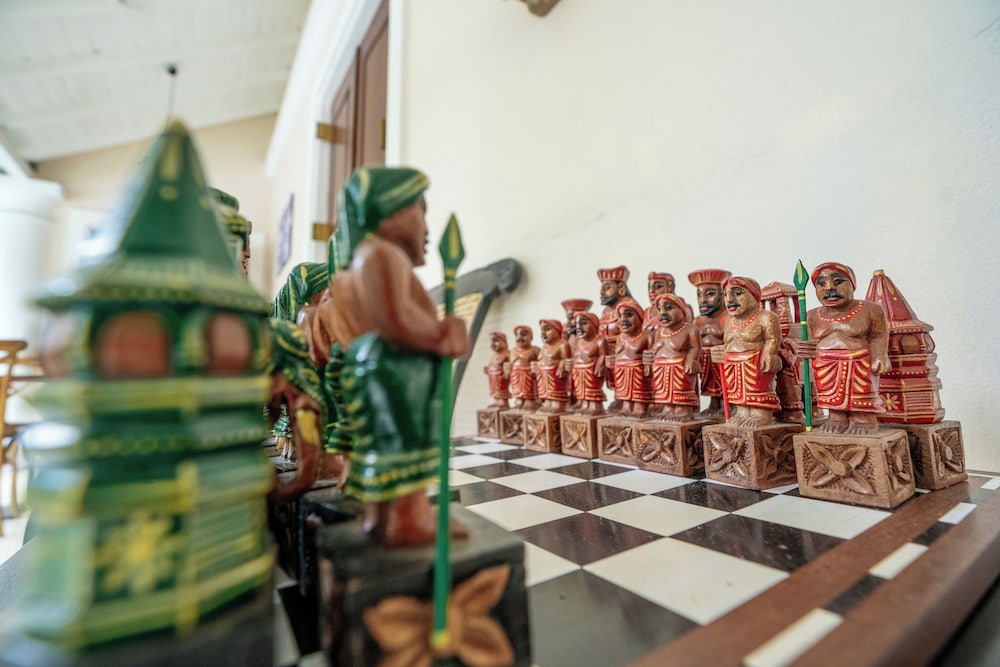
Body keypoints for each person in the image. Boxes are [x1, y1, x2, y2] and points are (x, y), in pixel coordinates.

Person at [325, 166, 470, 547]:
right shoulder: (381, 254)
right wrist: (442, 334)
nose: (426, 227)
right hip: (397, 373)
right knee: (404, 446)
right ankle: (408, 520)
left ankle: (380, 517)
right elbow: (396, 320)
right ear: (392, 209)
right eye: (421, 210)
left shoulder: (363, 258)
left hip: (379, 369)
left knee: (385, 446)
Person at [806, 262, 890, 434]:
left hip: (859, 362)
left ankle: (863, 419)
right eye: (821, 284)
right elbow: (808, 342)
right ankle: (836, 418)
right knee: (830, 396)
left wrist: (880, 355)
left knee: (860, 394)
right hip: (825, 365)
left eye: (838, 281)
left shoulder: (870, 309)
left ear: (852, 284)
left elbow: (879, 335)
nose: (829, 288)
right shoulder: (812, 315)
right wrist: (804, 348)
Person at [714, 277, 783, 427]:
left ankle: (761, 413)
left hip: (755, 362)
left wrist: (769, 353)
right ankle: (742, 412)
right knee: (737, 391)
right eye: (725, 295)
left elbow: (773, 338)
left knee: (758, 389)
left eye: (738, 293)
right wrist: (720, 352)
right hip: (732, 364)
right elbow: (727, 342)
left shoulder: (766, 317)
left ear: (754, 295)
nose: (729, 299)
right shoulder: (729, 320)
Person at [649, 293, 701, 421]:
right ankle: (667, 409)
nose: (663, 313)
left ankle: (682, 410)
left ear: (682, 310)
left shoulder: (690, 329)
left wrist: (691, 359)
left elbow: (695, 347)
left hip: (680, 367)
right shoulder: (658, 332)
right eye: (660, 309)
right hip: (660, 369)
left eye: (669, 308)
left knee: (680, 390)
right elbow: (654, 350)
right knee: (663, 391)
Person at [688, 268, 731, 417]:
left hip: (723, 360)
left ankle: (728, 405)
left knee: (726, 383)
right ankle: (714, 404)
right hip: (705, 360)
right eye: (699, 295)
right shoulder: (697, 321)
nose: (703, 300)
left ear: (723, 294)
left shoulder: (728, 317)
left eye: (710, 294)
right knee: (710, 384)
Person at [611, 297, 653, 416]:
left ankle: (640, 406)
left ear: (640, 318)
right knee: (624, 394)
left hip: (638, 371)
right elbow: (617, 354)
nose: (623, 320)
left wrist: (649, 362)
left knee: (639, 393)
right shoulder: (620, 337)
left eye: (628, 315)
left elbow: (653, 354)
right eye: (620, 316)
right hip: (621, 371)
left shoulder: (647, 336)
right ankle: (626, 406)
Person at [568, 311, 608, 416]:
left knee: (592, 390)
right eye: (577, 324)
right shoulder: (579, 341)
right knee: (581, 390)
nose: (579, 327)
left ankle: (595, 406)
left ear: (594, 324)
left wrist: (601, 364)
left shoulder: (599, 340)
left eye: (584, 323)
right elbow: (577, 355)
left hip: (592, 370)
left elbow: (603, 355)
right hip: (579, 371)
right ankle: (584, 405)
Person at [535, 319, 572, 413]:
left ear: (557, 330)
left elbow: (565, 358)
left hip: (555, 372)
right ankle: (547, 403)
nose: (543, 333)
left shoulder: (563, 344)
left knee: (555, 390)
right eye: (541, 330)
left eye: (547, 329)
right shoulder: (545, 346)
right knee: (546, 390)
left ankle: (557, 405)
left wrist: (562, 365)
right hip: (543, 373)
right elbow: (540, 358)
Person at [506, 325, 541, 410]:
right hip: (516, 377)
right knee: (517, 389)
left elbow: (542, 362)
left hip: (529, 376)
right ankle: (519, 400)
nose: (519, 337)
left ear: (531, 337)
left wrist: (537, 365)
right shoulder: (513, 351)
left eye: (524, 334)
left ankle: (529, 401)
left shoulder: (535, 350)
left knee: (529, 389)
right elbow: (510, 363)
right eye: (516, 335)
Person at [483, 331, 511, 408]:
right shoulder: (493, 355)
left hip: (501, 376)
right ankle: (496, 401)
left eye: (495, 340)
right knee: (494, 390)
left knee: (501, 389)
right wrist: (487, 369)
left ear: (504, 341)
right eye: (491, 341)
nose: (492, 343)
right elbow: (491, 364)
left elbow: (511, 363)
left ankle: (503, 401)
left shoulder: (507, 353)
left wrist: (508, 368)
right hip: (492, 376)